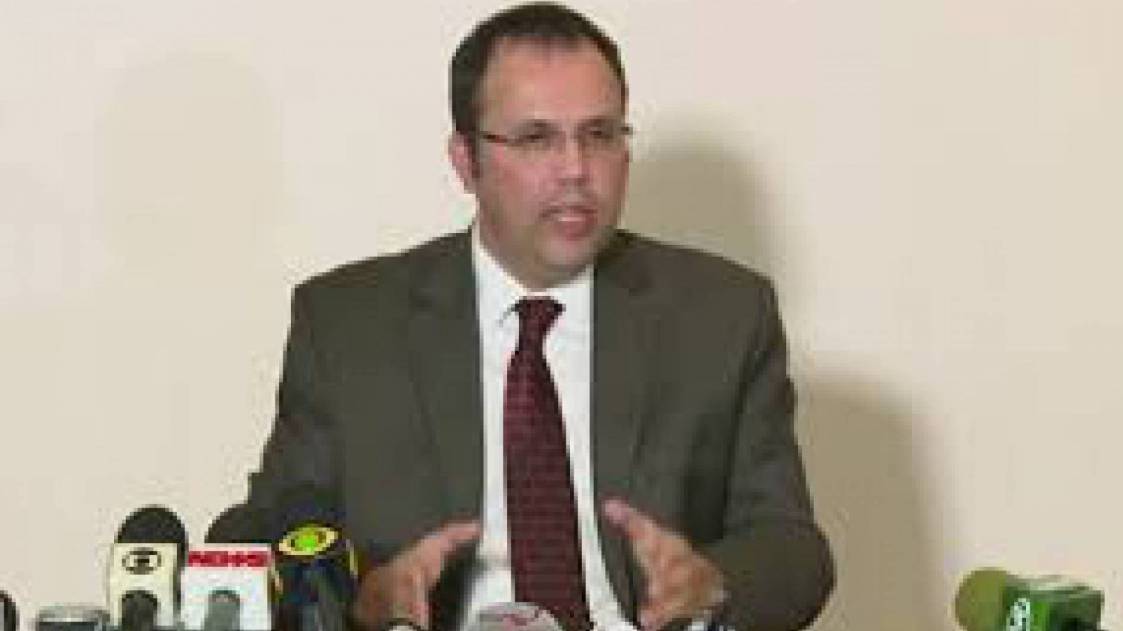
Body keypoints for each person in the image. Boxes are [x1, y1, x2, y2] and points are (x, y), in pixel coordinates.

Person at [239, 3, 833, 630]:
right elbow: (262, 534)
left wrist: (712, 583)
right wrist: (362, 595)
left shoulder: (721, 314)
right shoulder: (349, 326)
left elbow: (792, 546)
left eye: (599, 135)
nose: (575, 170)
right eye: (536, 139)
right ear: (465, 161)